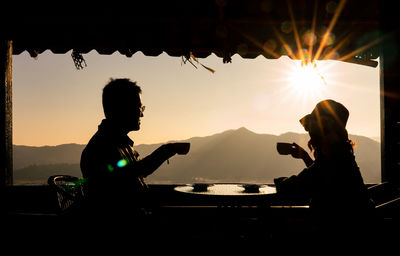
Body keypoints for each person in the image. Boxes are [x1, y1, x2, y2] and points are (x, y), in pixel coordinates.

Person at [80, 78, 189, 225]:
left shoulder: (118, 143)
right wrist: (166, 151)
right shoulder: (102, 147)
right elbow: (127, 177)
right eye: (139, 108)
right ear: (122, 108)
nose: (142, 114)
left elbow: (134, 171)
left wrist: (167, 151)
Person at [274, 99, 375, 241]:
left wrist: (280, 184)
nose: (312, 135)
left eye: (315, 129)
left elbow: (299, 186)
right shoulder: (342, 154)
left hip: (337, 232)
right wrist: (305, 157)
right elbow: (320, 176)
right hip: (358, 229)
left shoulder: (334, 157)